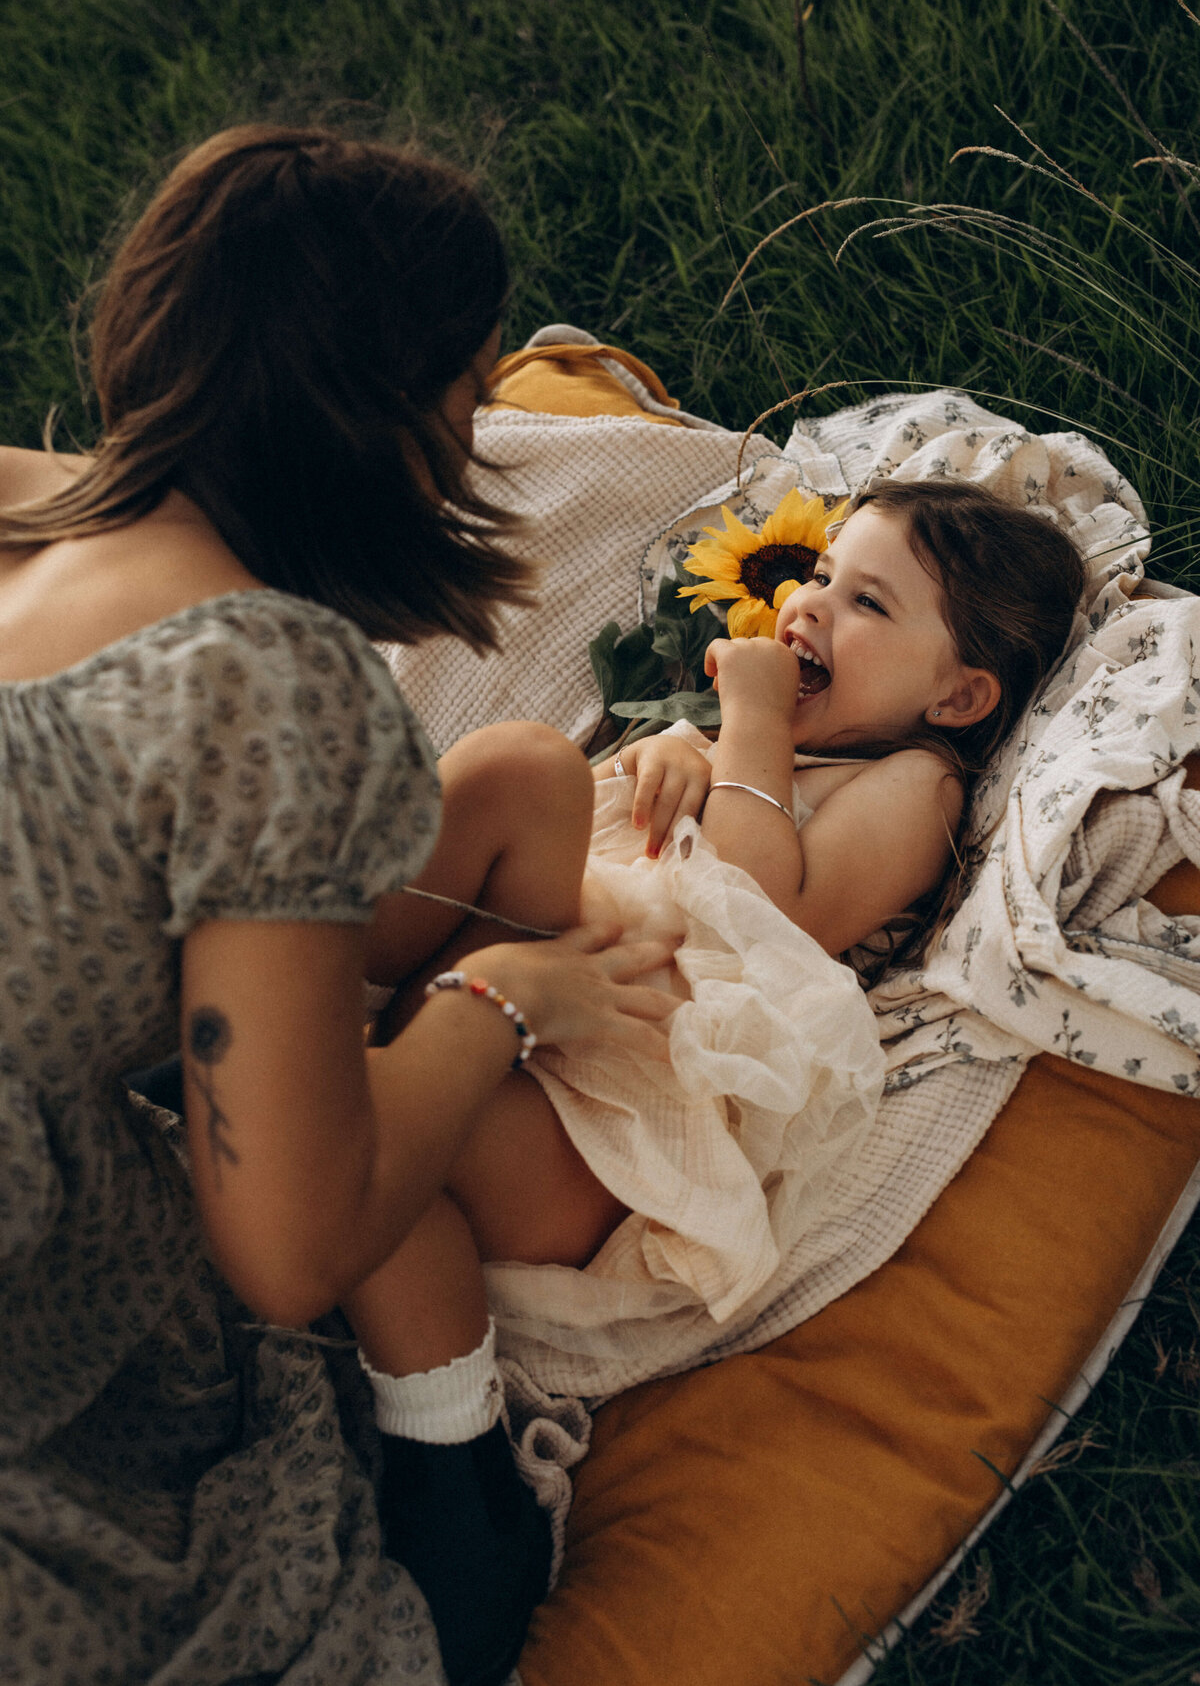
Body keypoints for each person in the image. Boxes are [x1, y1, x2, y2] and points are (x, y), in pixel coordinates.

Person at [0, 125, 680, 1686]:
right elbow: (295, 1244)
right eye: (472, 397)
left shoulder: (26, 508)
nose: (479, 438)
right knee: (376, 1279)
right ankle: (456, 1491)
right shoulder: (260, 681)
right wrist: (508, 995)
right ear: (389, 426)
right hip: (43, 1437)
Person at [351, 476, 1088, 1420]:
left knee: (380, 1137)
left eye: (866, 602)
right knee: (522, 764)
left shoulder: (915, 786)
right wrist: (660, 754)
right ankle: (318, 975)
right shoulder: (745, 747)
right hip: (497, 990)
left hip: (602, 1107)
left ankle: (316, 1098)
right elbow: (580, 829)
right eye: (821, 573)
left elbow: (759, 904)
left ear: (957, 696)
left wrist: (751, 721)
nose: (809, 601)